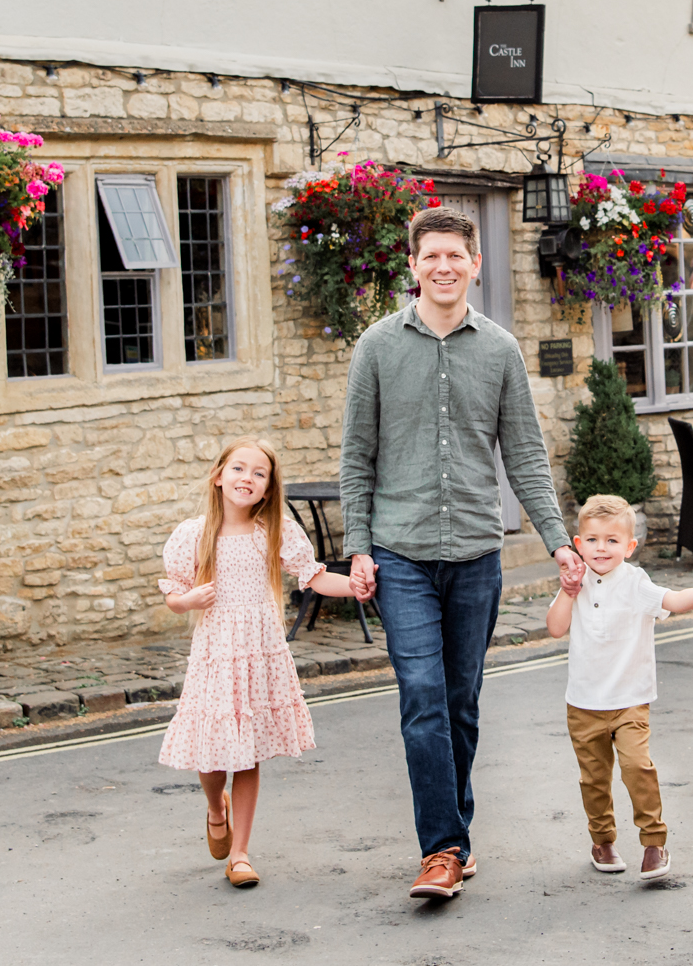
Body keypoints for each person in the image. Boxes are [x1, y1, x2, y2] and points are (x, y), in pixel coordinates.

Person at [341, 205, 587, 900]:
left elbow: (527, 457)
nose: (443, 267)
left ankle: (455, 834)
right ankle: (442, 848)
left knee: (461, 701)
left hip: (478, 550)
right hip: (401, 553)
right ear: (412, 266)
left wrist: (558, 540)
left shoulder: (500, 349)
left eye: (456, 255)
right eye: (431, 257)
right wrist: (357, 547)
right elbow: (356, 458)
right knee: (422, 696)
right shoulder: (378, 346)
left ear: (476, 264)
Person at [157, 436, 363, 888]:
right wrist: (188, 599)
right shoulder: (193, 535)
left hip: (258, 654)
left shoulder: (274, 532)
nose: (246, 478)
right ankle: (216, 808)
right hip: (215, 655)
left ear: (269, 489)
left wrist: (358, 586)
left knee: (247, 753)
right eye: (238, 469)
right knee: (212, 755)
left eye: (258, 473)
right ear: (218, 476)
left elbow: (315, 576)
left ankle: (241, 853)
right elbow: (173, 593)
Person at [544, 494, 693, 881]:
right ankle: (602, 841)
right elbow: (555, 627)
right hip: (584, 703)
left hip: (630, 701)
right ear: (578, 544)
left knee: (637, 766)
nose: (601, 548)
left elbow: (671, 599)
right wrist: (568, 592)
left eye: (611, 540)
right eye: (592, 540)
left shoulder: (636, 582)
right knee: (594, 779)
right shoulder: (576, 582)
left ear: (629, 546)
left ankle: (654, 844)